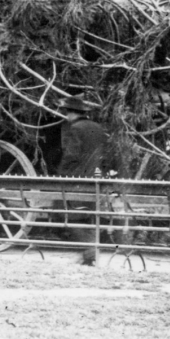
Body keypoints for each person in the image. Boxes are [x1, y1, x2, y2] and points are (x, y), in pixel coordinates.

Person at [55, 95, 109, 266]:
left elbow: (72, 155)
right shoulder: (97, 128)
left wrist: (60, 175)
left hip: (77, 179)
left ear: (71, 113)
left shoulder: (75, 128)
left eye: (67, 113)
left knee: (71, 216)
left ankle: (89, 253)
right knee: (89, 217)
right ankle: (90, 255)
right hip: (95, 178)